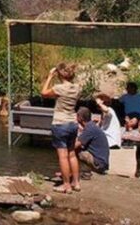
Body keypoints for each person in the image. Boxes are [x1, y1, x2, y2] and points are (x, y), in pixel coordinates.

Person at [41, 63, 81, 193]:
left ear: (59, 74)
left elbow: (44, 93)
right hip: (73, 123)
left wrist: (49, 76)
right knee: (72, 154)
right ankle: (76, 183)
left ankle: (66, 185)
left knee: (63, 156)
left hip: (60, 123)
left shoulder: (59, 88)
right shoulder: (77, 88)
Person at [75, 107, 110, 174]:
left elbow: (76, 145)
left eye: (77, 116)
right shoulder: (91, 126)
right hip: (102, 162)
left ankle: (71, 172)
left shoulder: (89, 128)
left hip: (99, 164)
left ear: (80, 118)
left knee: (72, 150)